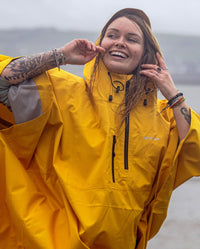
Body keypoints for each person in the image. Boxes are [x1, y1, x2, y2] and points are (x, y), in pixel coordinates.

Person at [0, 8, 199, 249]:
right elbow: (3, 81)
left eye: (132, 39)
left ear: (147, 54)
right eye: (112, 35)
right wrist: (60, 56)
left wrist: (173, 93)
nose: (120, 43)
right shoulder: (63, 93)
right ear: (99, 44)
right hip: (52, 241)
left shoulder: (165, 118)